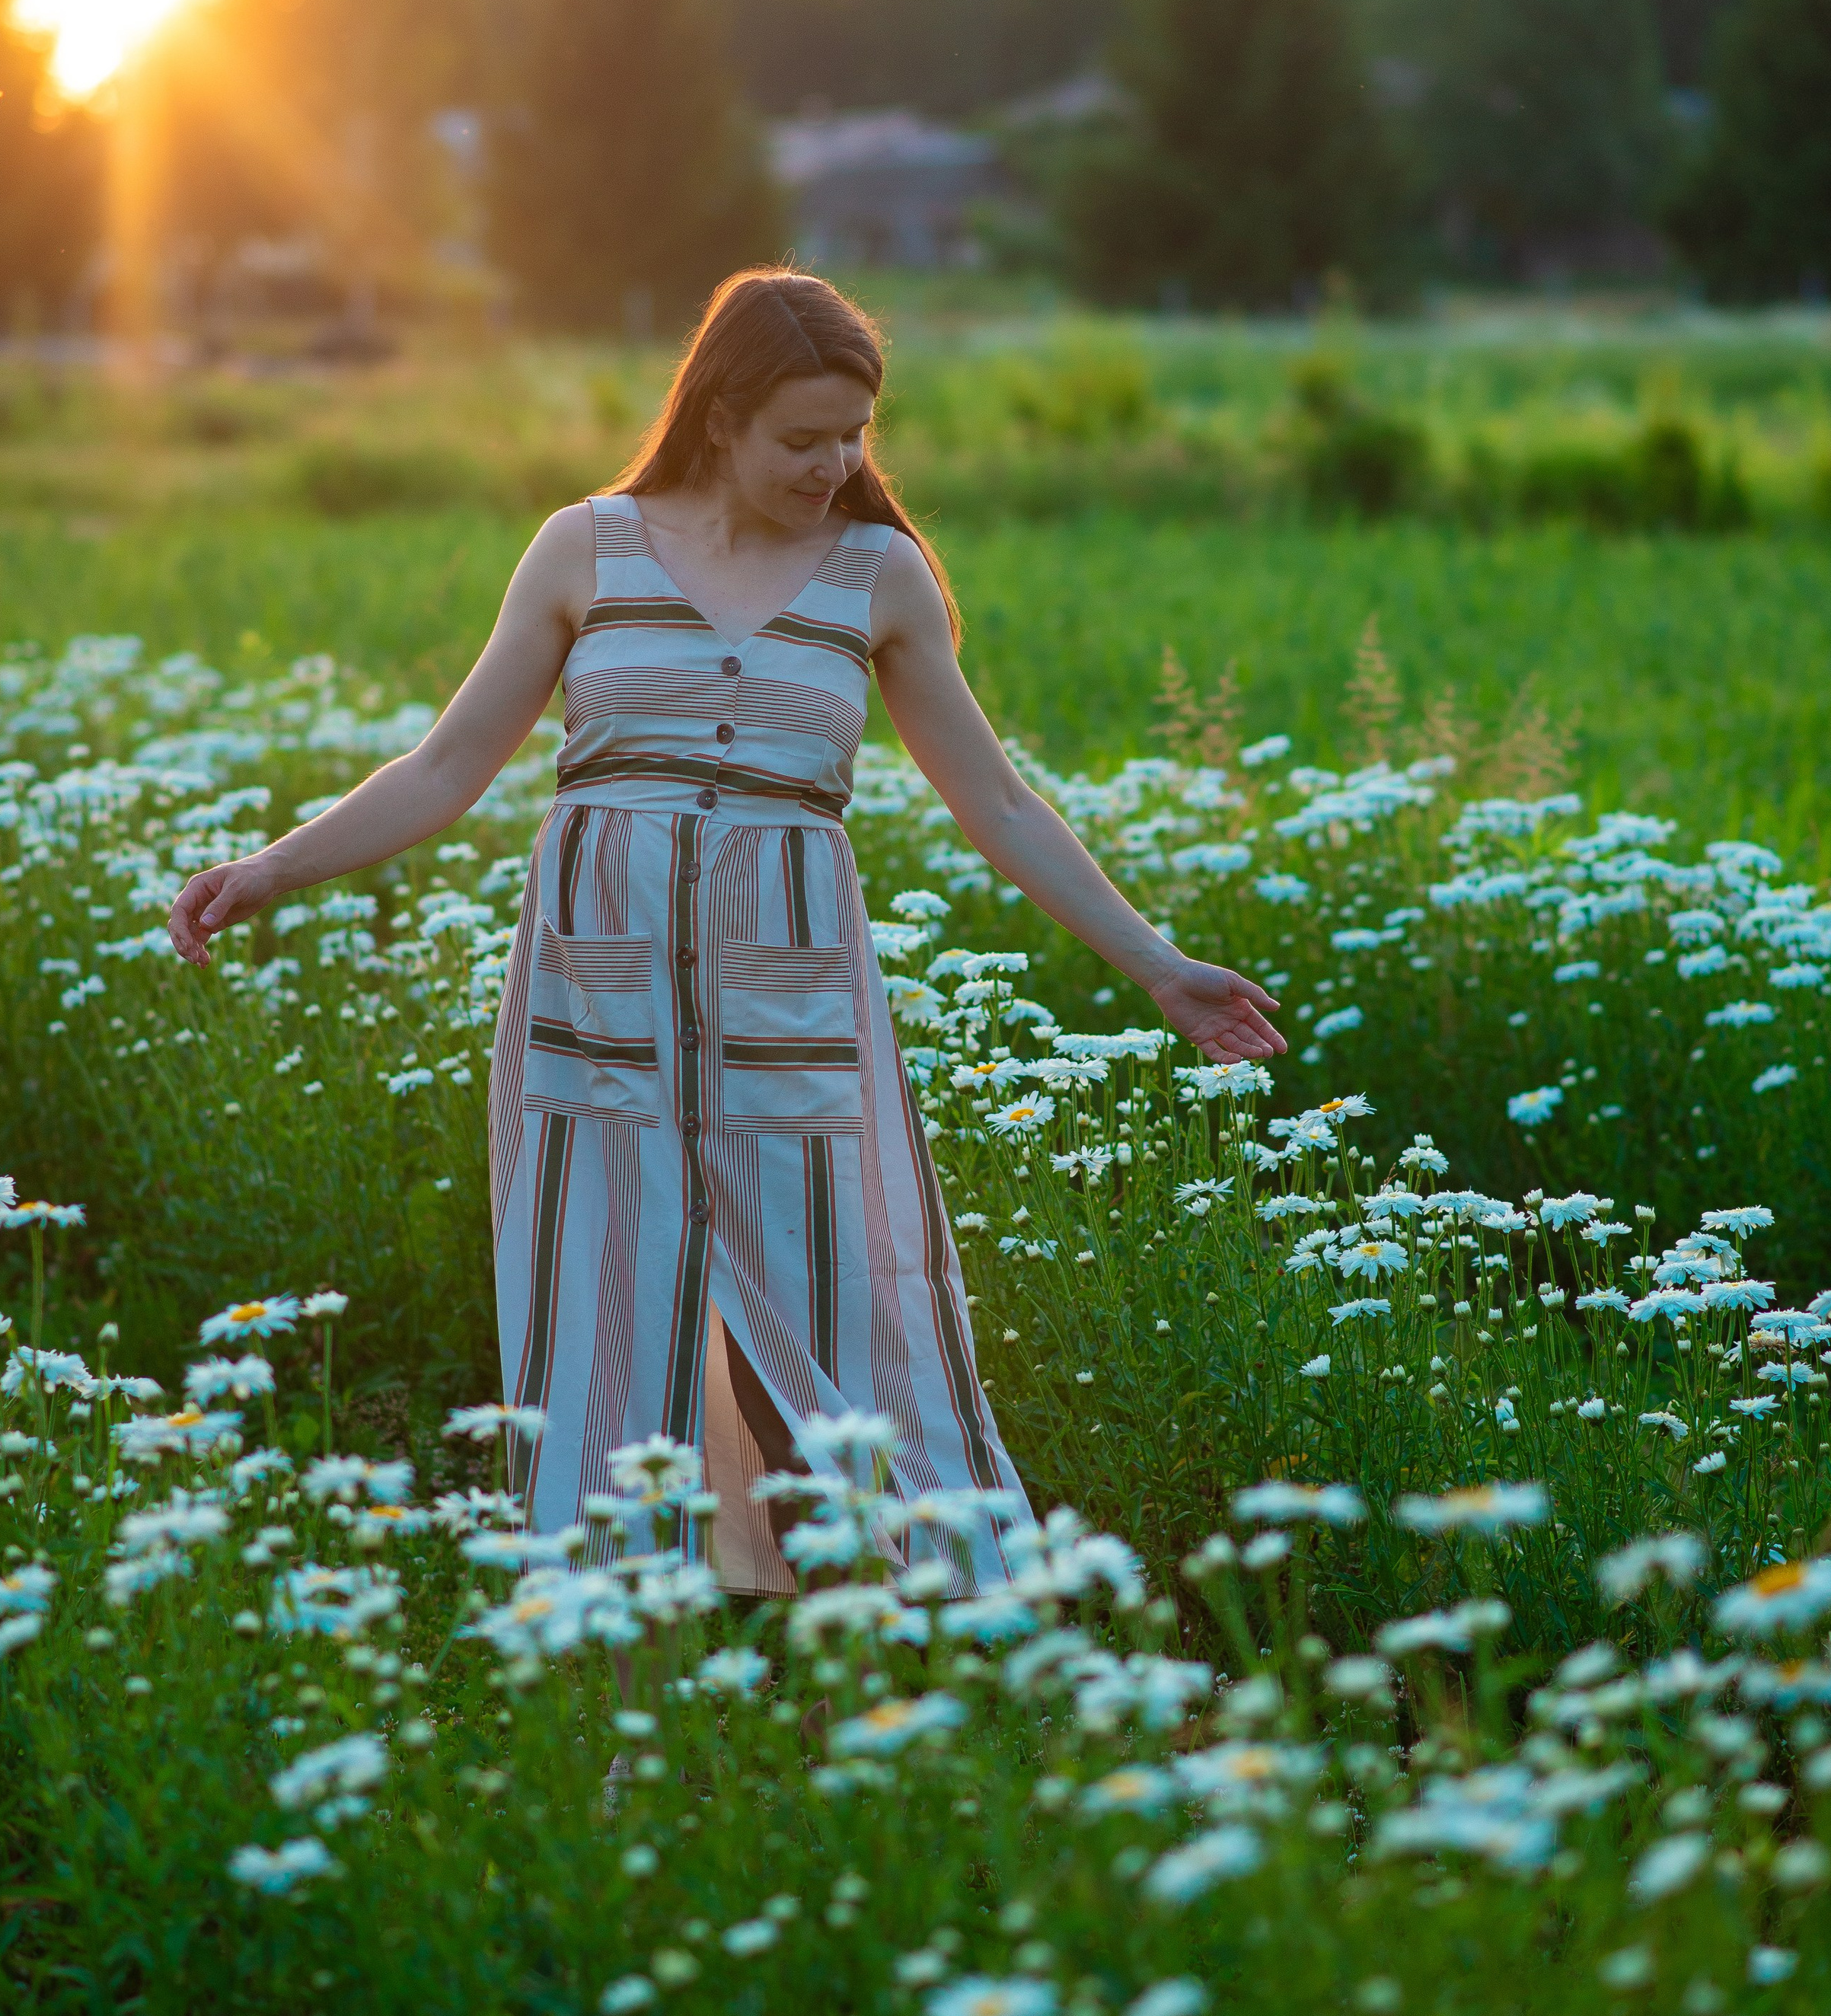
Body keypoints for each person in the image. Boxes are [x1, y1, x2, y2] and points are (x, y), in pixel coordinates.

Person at [169, 270, 1286, 1590]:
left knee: (855, 1309)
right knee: (597, 1320)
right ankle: (613, 1673)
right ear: (718, 421)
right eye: (801, 440)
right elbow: (444, 767)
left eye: (854, 437)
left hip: (791, 1000)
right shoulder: (586, 546)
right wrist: (273, 868)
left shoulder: (882, 577)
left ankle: (921, 1628)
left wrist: (1156, 965)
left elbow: (995, 798)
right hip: (597, 997)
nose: (835, 466)